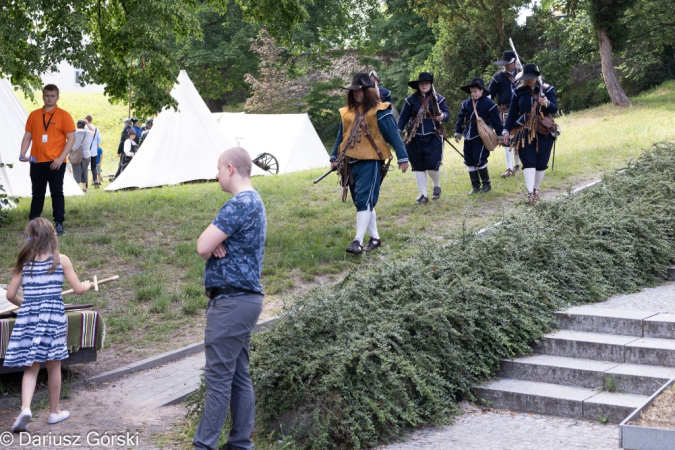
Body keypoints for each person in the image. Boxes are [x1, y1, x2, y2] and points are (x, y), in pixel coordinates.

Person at [193, 147, 266, 450]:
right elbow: (210, 245)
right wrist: (215, 245)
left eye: (219, 169)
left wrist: (212, 246)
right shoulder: (255, 202)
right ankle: (239, 445)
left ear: (231, 168)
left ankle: (204, 445)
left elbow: (201, 246)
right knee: (237, 376)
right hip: (244, 300)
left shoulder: (240, 203)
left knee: (219, 379)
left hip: (231, 302)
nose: (216, 175)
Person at [4, 218, 92, 432]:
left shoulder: (24, 263)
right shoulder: (61, 260)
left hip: (29, 318)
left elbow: (10, 295)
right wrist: (88, 285)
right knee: (54, 365)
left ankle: (25, 408)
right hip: (53, 317)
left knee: (30, 367)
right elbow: (78, 289)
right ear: (53, 236)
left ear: (30, 238)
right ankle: (54, 412)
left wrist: (26, 304)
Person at [330, 72, 409, 255]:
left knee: (364, 200)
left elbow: (394, 135)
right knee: (362, 201)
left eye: (361, 91)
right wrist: (334, 157)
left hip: (371, 161)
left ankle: (357, 241)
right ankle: (375, 238)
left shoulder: (380, 111)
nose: (357, 94)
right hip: (349, 162)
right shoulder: (347, 112)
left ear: (368, 91)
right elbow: (340, 137)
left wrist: (403, 157)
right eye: (354, 91)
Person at [19, 84, 76, 236]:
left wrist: (60, 158)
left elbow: (71, 139)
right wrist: (22, 152)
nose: (49, 98)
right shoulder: (34, 115)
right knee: (37, 194)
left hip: (56, 162)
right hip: (36, 161)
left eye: (52, 96)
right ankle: (33, 225)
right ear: (43, 96)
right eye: (47, 95)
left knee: (57, 193)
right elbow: (27, 136)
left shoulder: (64, 115)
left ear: (57, 97)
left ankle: (59, 224)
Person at [502, 63, 559, 202]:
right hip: (523, 131)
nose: (529, 80)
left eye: (532, 77)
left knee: (541, 162)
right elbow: (512, 113)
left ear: (537, 76)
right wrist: (506, 130)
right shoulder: (518, 92)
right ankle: (529, 192)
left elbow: (554, 109)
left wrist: (546, 103)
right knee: (528, 161)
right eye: (527, 77)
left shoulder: (547, 90)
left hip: (544, 130)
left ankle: (535, 189)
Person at [397, 72, 450, 203]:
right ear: (418, 85)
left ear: (431, 84)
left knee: (432, 164)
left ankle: (436, 186)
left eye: (426, 83)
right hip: (414, 137)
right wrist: (397, 130)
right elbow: (403, 117)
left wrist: (443, 116)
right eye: (422, 83)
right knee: (418, 166)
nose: (424, 85)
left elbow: (447, 113)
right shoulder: (410, 100)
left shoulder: (439, 99)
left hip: (433, 136)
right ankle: (423, 195)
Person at [454, 78, 503, 194]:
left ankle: (486, 185)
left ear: (482, 90)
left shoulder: (489, 104)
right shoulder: (466, 103)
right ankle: (475, 186)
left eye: (475, 91)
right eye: (471, 91)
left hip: (482, 136)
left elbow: (496, 121)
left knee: (479, 159)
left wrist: (500, 135)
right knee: (469, 160)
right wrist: (458, 133)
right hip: (468, 135)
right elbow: (460, 119)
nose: (473, 93)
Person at [488, 50, 522, 178]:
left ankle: (517, 165)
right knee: (507, 139)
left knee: (520, 137)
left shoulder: (521, 74)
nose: (508, 66)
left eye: (510, 63)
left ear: (514, 62)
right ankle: (509, 168)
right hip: (506, 111)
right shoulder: (497, 78)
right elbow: (489, 95)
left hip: (521, 111)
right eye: (506, 63)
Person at [71, 120, 94, 192]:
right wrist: (88, 124)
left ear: (77, 125)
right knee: (84, 170)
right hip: (86, 154)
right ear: (84, 125)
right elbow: (93, 131)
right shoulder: (88, 132)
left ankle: (77, 188)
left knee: (76, 170)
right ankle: (84, 187)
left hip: (75, 154)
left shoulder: (73, 132)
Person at [84, 115, 102, 187]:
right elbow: (99, 140)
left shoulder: (84, 128)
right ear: (91, 120)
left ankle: (86, 183)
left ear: (86, 120)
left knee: (85, 168)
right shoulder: (96, 129)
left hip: (85, 151)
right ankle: (95, 181)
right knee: (93, 167)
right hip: (94, 151)